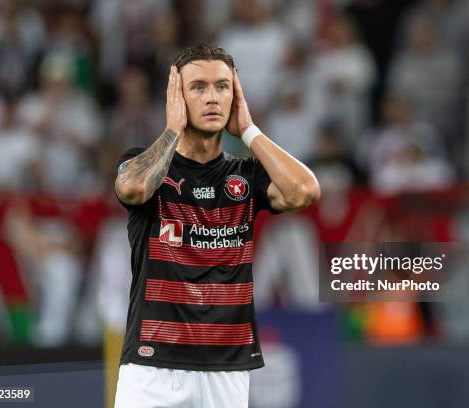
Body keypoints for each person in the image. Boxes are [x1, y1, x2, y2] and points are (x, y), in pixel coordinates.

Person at [113, 45, 320, 408]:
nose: (213, 98)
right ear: (176, 96)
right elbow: (132, 188)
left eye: (223, 87)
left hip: (227, 366)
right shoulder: (142, 163)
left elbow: (305, 191)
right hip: (152, 363)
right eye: (198, 87)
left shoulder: (247, 175)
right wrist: (172, 129)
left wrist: (250, 130)